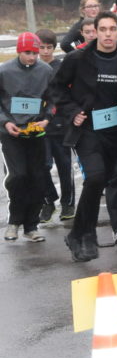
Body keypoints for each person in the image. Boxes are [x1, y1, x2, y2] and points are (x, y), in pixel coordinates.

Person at [50, 12, 117, 262]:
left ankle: (79, 235)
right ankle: (84, 235)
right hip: (87, 129)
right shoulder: (78, 59)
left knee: (102, 181)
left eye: (112, 29)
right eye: (103, 29)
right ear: (94, 31)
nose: (108, 34)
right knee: (95, 177)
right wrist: (73, 112)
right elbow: (56, 88)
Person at [1, 32, 54, 242]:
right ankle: (14, 221)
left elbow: (54, 98)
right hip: (11, 133)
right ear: (18, 51)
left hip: (36, 131)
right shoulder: (4, 71)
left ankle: (31, 226)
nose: (32, 57)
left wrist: (47, 118)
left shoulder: (46, 71)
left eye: (35, 52)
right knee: (18, 176)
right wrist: (5, 121)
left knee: (37, 177)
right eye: (27, 53)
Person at [36, 29, 76, 221]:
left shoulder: (60, 67)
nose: (45, 51)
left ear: (54, 48)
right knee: (42, 165)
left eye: (49, 47)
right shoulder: (32, 67)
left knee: (64, 165)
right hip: (38, 125)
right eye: (41, 47)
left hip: (59, 123)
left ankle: (68, 203)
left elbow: (63, 95)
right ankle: (48, 200)